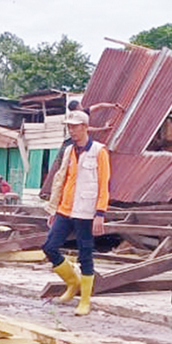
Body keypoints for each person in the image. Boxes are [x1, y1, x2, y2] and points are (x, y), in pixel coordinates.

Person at [41, 110, 110, 316]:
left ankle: (85, 300)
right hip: (65, 209)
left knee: (85, 254)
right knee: (49, 247)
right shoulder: (69, 150)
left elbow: (104, 185)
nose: (71, 130)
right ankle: (73, 282)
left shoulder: (99, 151)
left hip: (86, 211)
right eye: (69, 127)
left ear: (85, 127)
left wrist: (100, 213)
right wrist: (53, 208)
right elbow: (61, 180)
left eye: (75, 126)